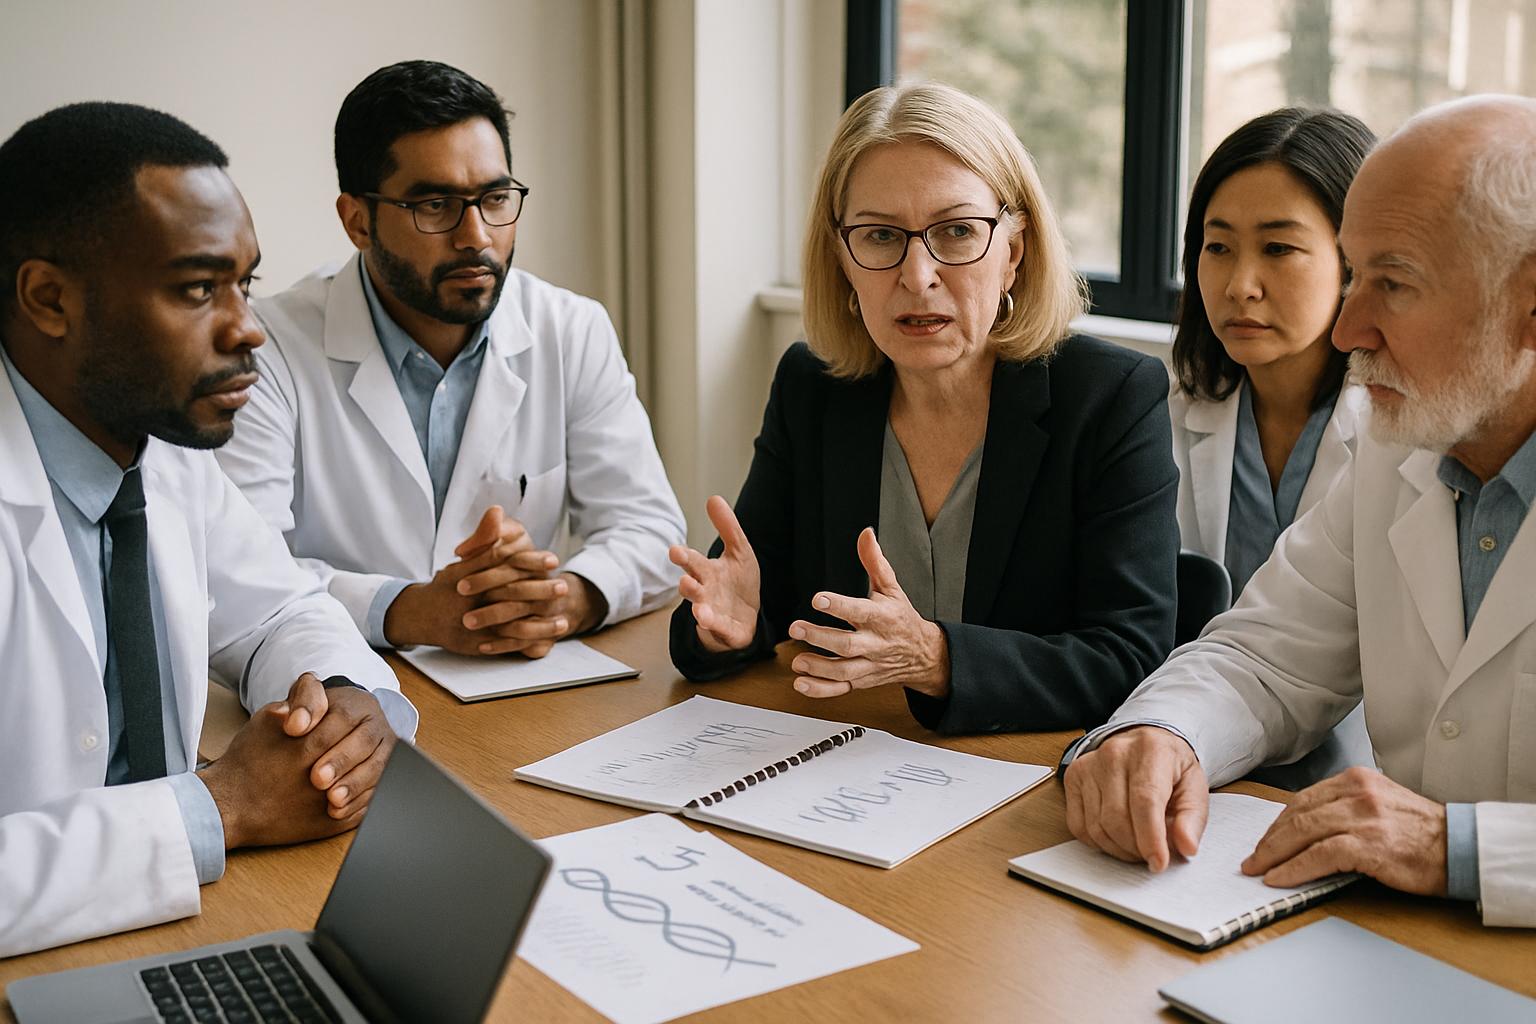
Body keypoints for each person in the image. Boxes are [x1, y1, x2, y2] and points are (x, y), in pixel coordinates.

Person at [1064, 96, 1536, 929]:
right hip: (1398, 940)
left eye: (1392, 282)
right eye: (1352, 276)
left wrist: (1455, 846)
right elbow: (1266, 658)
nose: (1349, 328)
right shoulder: (1405, 451)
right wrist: (1163, 733)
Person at [0, 102, 417, 957]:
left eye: (245, 283)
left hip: (174, 926)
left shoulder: (158, 443)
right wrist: (224, 805)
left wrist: (345, 704)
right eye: (198, 289)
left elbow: (277, 610)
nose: (247, 329)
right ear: (49, 299)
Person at [668, 83, 1180, 734]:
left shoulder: (1110, 397)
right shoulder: (814, 386)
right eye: (881, 236)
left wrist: (936, 659)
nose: (917, 276)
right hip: (851, 769)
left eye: (957, 232)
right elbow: (746, 593)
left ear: (1014, 254)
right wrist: (725, 630)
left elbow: (1130, 657)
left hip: (1024, 782)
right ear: (843, 258)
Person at [216, 61, 684, 657]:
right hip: (338, 684)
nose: (476, 236)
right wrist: (407, 611)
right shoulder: (269, 349)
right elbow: (242, 575)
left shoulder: (570, 328)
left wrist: (562, 597)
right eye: (435, 205)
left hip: (519, 685)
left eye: (494, 198)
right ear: (358, 220)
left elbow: (650, 529)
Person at [1169, 107, 1376, 788]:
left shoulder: (1403, 435)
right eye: (1218, 246)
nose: (1239, 286)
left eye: (1279, 248)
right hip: (1197, 750)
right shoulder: (1162, 414)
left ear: (1356, 262)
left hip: (1360, 780)